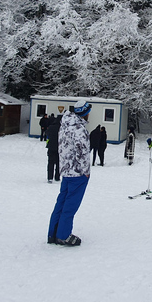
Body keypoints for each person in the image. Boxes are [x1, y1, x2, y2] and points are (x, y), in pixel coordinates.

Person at [48, 100, 92, 246]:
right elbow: (83, 152)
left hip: (66, 170)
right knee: (70, 205)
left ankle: (53, 233)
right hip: (78, 173)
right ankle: (63, 235)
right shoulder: (79, 129)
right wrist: (85, 171)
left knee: (61, 202)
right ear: (85, 113)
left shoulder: (65, 125)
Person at [46, 114, 62, 183]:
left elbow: (47, 134)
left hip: (51, 147)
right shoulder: (62, 128)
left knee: (50, 162)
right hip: (59, 148)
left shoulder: (51, 127)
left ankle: (50, 177)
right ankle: (57, 177)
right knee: (59, 163)